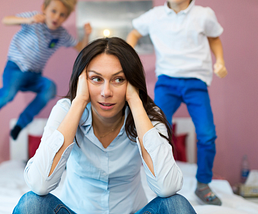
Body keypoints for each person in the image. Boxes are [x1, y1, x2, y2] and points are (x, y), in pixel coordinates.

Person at [12, 37, 196, 214]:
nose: (106, 92)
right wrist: (79, 101)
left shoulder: (148, 116)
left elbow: (168, 187)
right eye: (96, 79)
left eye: (118, 80)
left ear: (131, 82)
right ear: (82, 80)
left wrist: (135, 101)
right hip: (75, 210)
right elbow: (39, 183)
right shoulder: (66, 110)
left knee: (176, 205)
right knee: (31, 204)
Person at [126, 0, 227, 206]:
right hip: (166, 83)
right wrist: (126, 57)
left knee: (207, 134)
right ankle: (161, 180)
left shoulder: (203, 14)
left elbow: (214, 38)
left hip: (196, 83)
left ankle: (203, 185)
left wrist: (220, 61)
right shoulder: (154, 16)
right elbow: (135, 32)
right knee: (156, 132)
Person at [0, 0, 92, 143]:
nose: (56, 17)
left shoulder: (61, 34)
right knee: (7, 95)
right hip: (15, 69)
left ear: (66, 18)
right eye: (53, 11)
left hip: (34, 75)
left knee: (50, 88)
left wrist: (87, 35)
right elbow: (6, 20)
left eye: (62, 15)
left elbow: (80, 47)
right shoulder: (34, 18)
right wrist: (29, 20)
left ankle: (20, 124)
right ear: (44, 9)